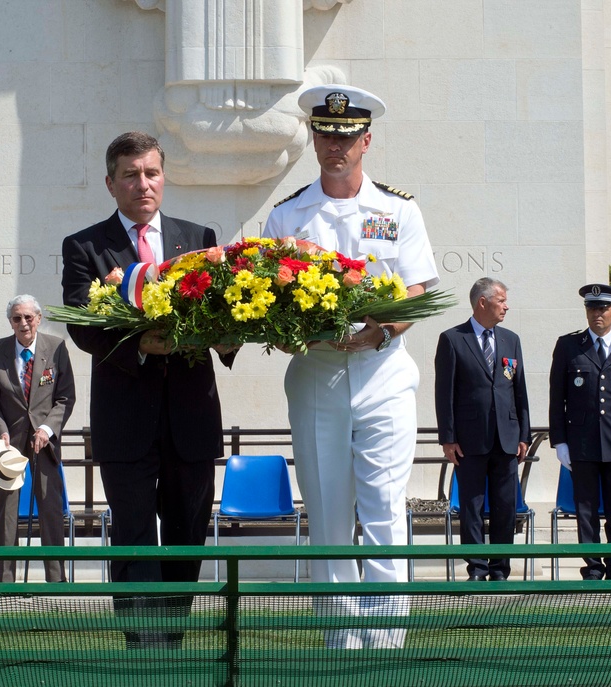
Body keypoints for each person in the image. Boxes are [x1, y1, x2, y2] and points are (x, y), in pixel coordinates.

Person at [262, 85, 439, 649]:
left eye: (346, 136)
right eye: (325, 134)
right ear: (313, 139)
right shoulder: (288, 215)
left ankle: (386, 639)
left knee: (385, 503)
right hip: (317, 374)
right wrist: (289, 333)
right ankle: (341, 639)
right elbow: (268, 296)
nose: (335, 145)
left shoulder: (398, 208)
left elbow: (415, 289)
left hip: (384, 373)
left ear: (366, 141)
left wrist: (383, 330)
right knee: (327, 506)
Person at [61, 131, 234, 646]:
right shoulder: (84, 246)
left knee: (186, 534)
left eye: (152, 173)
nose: (143, 184)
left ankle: (174, 635)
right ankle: (142, 643)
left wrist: (230, 332)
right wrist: (143, 348)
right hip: (125, 419)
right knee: (134, 535)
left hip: (191, 418)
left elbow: (222, 313)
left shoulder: (199, 237)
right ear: (111, 183)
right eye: (131, 175)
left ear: (164, 177)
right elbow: (83, 326)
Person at [434, 278, 530, 582]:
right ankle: (476, 568)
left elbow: (520, 390)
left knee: (505, 506)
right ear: (482, 302)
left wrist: (524, 435)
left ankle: (501, 568)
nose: (506, 306)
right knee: (472, 507)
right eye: (501, 300)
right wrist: (448, 438)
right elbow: (444, 393)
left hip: (506, 439)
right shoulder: (452, 339)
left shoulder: (511, 339)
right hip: (469, 440)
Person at [0, 294, 76, 583]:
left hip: (44, 443)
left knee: (50, 509)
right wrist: (0, 431)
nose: (24, 323)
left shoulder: (56, 348)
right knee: (5, 512)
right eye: (17, 318)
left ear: (38, 318)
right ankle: (4, 581)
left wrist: (47, 429)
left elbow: (65, 397)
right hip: (8, 446)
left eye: (28, 317)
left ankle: (56, 581)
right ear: (10, 322)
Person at [549, 284, 611, 580]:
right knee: (585, 510)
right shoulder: (568, 346)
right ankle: (592, 566)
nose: (597, 314)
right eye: (592, 309)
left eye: (603, 309)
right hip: (583, 441)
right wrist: (560, 441)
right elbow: (557, 398)